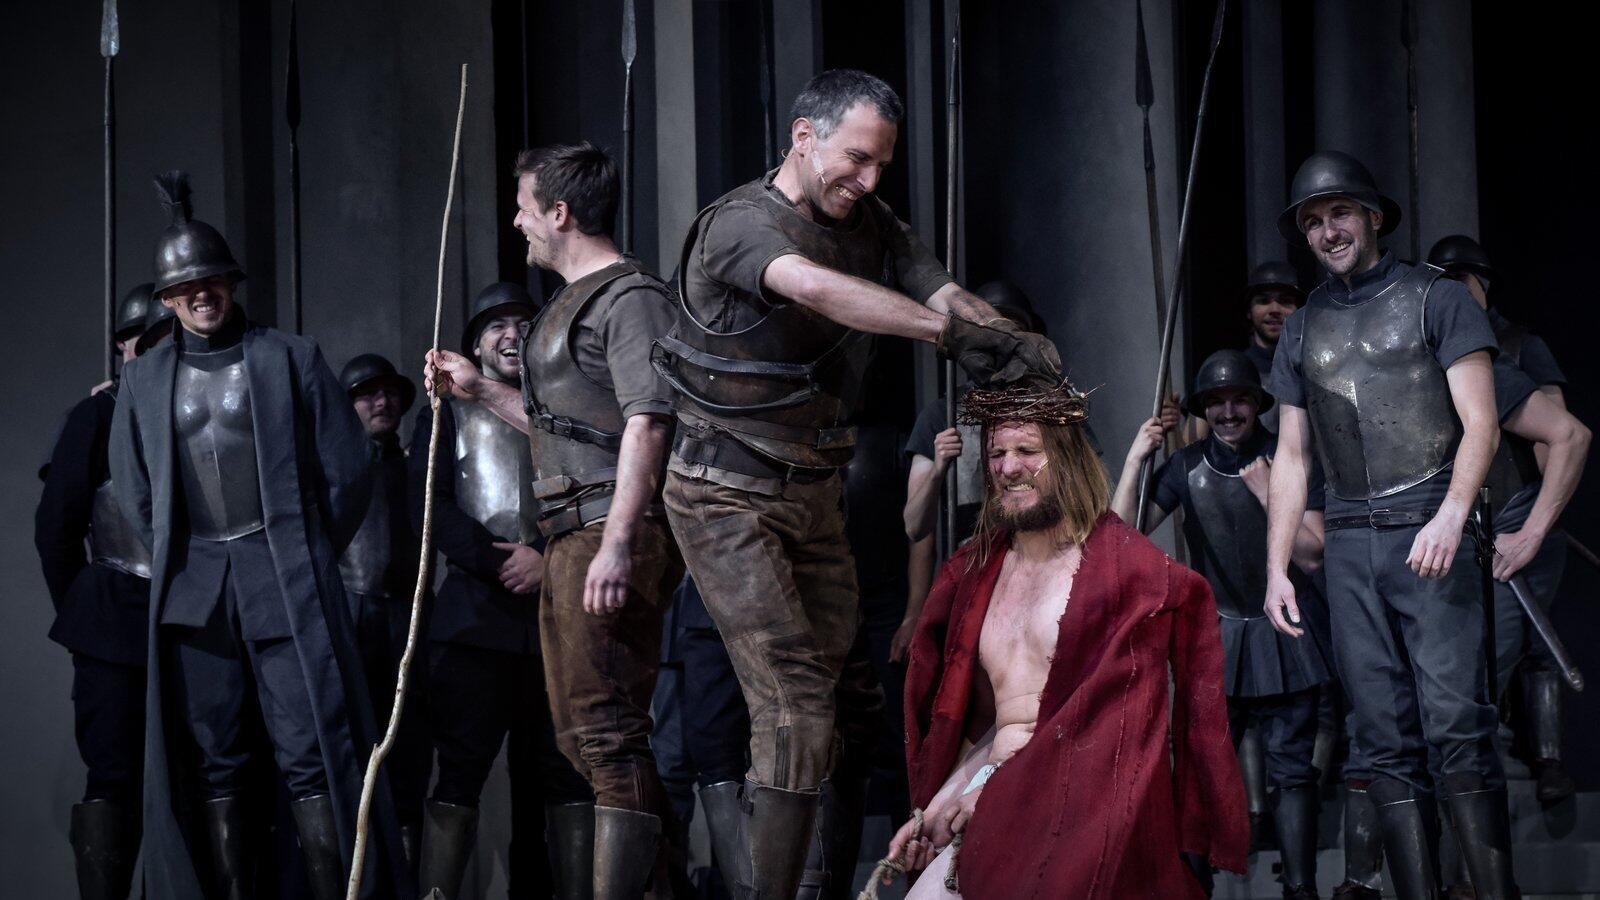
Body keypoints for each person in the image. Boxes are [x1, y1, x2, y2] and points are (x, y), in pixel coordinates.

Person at [650, 68, 1058, 898]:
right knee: (794, 703)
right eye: (856, 160)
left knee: (851, 704)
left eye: (881, 165)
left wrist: (1014, 344)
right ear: (803, 137)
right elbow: (815, 287)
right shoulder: (739, 225)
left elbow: (942, 290)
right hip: (725, 493)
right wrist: (949, 336)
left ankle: (823, 887)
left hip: (813, 489)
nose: (869, 181)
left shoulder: (872, 223)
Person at [109, 172, 408, 899]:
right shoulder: (144, 382)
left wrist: (305, 550)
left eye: (211, 280)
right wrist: (179, 554)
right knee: (215, 761)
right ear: (168, 298)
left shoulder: (289, 357)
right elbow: (134, 485)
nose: (201, 294)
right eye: (186, 286)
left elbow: (347, 470)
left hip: (283, 578)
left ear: (231, 282)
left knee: (311, 750)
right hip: (196, 591)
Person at [425, 143, 685, 898]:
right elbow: (563, 429)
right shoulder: (570, 303)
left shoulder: (629, 297)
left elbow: (650, 421)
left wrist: (619, 542)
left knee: (605, 733)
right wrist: (478, 391)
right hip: (574, 534)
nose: (517, 222)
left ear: (560, 213)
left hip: (603, 531)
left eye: (524, 207)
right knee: (583, 737)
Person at [889, 379, 1247, 897]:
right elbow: (999, 729)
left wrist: (994, 795)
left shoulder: (1120, 575)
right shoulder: (976, 572)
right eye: (997, 453)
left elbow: (1108, 737)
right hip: (993, 792)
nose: (1009, 467)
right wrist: (934, 810)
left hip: (1075, 808)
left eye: (1027, 451)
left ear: (1068, 458)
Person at [1264, 152, 1508, 898]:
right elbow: (1293, 456)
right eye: (1312, 221)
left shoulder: (1437, 298)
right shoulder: (1302, 327)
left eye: (1339, 212)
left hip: (1429, 527)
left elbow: (1482, 422)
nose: (1327, 231)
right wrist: (1276, 569)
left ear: (1372, 216)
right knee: (1380, 740)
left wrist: (1452, 515)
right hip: (1348, 541)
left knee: (1455, 725)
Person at [1113, 349, 1333, 899]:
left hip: (1285, 632)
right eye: (1217, 402)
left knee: (1293, 771)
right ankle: (1193, 887)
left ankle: (1301, 890)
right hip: (1216, 640)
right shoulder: (1186, 466)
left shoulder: (1290, 459)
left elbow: (1312, 556)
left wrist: (1269, 492)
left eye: (1239, 400)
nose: (1229, 412)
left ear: (1257, 403)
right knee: (1200, 772)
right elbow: (1121, 539)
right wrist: (1136, 460)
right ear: (1203, 409)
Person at [411, 281, 592, 899]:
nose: (511, 335)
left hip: (557, 616)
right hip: (473, 621)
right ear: (475, 344)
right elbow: (430, 506)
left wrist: (546, 559)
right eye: (497, 326)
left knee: (567, 775)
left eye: (522, 323)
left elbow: (594, 493)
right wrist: (497, 561)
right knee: (459, 775)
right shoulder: (444, 412)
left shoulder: (569, 409)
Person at [1429, 235, 1590, 804]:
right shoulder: (1432, 346)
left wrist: (1534, 529)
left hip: (1520, 512)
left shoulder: (1517, 346)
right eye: (1442, 281)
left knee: (1530, 646)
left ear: (1484, 283)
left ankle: (1545, 760)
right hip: (1465, 521)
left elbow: (1559, 439)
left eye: (1461, 280)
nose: (1452, 291)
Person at [35, 285, 172, 899]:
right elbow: (57, 525)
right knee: (114, 774)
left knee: (203, 775)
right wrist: (86, 613)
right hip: (114, 613)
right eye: (146, 341)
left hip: (188, 618)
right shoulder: (95, 415)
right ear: (124, 346)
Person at [336, 353, 428, 867]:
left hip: (407, 623)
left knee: (410, 757)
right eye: (368, 393)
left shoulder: (417, 464)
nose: (382, 401)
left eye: (390, 392)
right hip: (351, 618)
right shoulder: (329, 471)